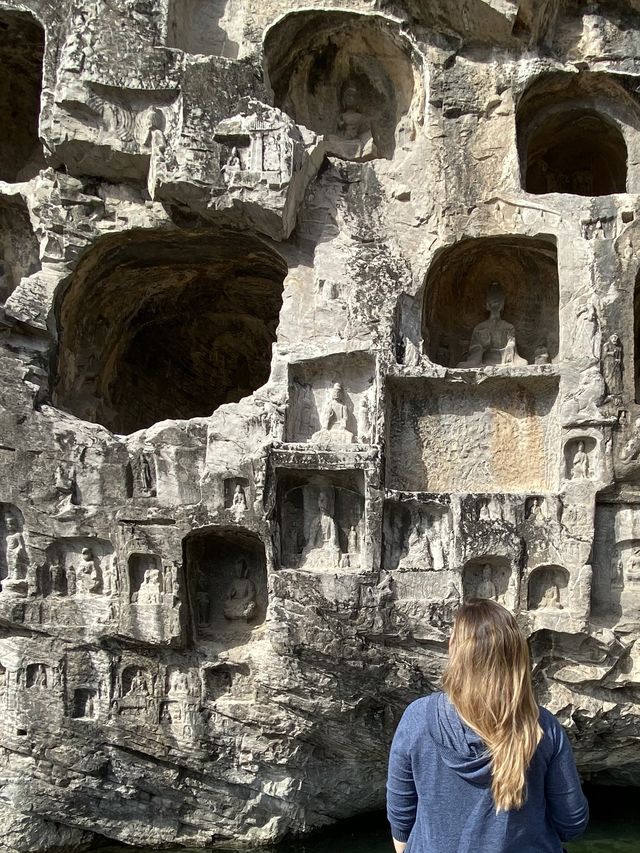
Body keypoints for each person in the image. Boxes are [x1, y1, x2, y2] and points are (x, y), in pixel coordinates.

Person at [387, 599, 588, 852]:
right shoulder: (543, 728)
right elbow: (572, 824)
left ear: (454, 650)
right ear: (517, 657)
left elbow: (401, 821)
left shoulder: (416, 718)